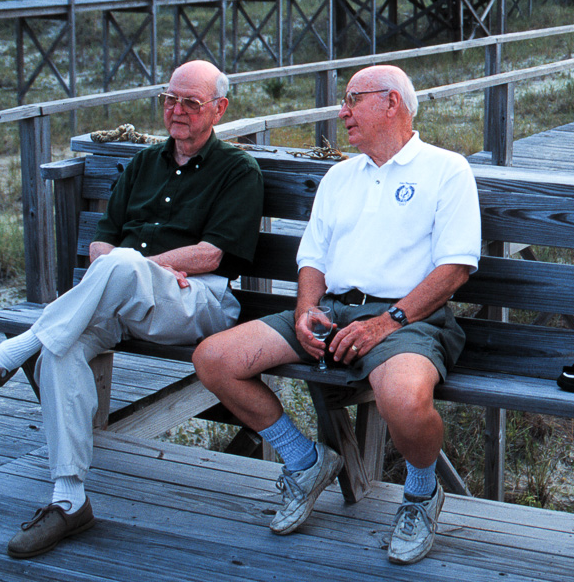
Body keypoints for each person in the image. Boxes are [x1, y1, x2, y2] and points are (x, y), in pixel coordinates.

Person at [0, 60, 263, 558]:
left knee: (125, 265)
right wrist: (133, 269)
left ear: (219, 109)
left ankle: (7, 354)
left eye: (190, 103)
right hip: (121, 299)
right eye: (169, 99)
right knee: (60, 354)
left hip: (197, 303)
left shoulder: (238, 170)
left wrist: (143, 268)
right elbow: (101, 245)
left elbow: (212, 254)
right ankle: (69, 500)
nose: (176, 111)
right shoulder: (143, 163)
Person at [192, 64, 480, 565]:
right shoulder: (340, 176)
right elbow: (313, 260)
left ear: (391, 103)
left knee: (404, 401)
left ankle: (420, 493)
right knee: (215, 359)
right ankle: (304, 462)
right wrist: (305, 310)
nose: (342, 112)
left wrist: (385, 322)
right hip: (332, 311)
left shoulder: (445, 169)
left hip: (408, 319)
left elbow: (455, 269)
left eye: (352, 99)